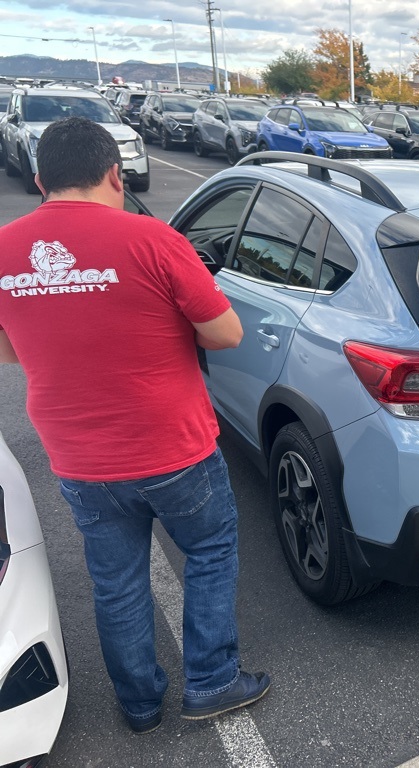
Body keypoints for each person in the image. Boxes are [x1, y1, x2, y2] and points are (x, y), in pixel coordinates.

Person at [0, 117, 270, 735]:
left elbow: (9, 352)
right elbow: (226, 334)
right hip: (174, 446)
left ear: (40, 180)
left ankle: (140, 703)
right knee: (207, 551)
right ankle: (213, 681)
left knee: (116, 582)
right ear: (116, 174)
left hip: (79, 458)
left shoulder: (3, 250)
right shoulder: (152, 240)